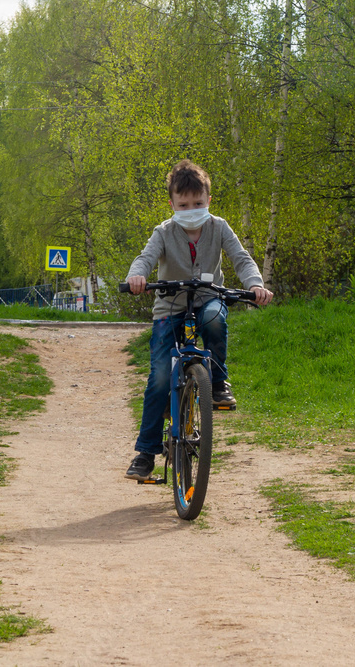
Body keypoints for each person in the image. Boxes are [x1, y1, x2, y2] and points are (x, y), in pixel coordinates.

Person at [124, 159, 273, 481]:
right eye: (184, 204)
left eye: (198, 203)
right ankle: (145, 453)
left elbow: (241, 258)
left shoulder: (219, 227)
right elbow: (146, 258)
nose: (191, 209)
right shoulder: (163, 232)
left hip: (208, 298)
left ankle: (218, 383)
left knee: (215, 319)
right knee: (160, 378)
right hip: (169, 307)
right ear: (172, 204)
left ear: (208, 200)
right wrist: (137, 276)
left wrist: (255, 284)